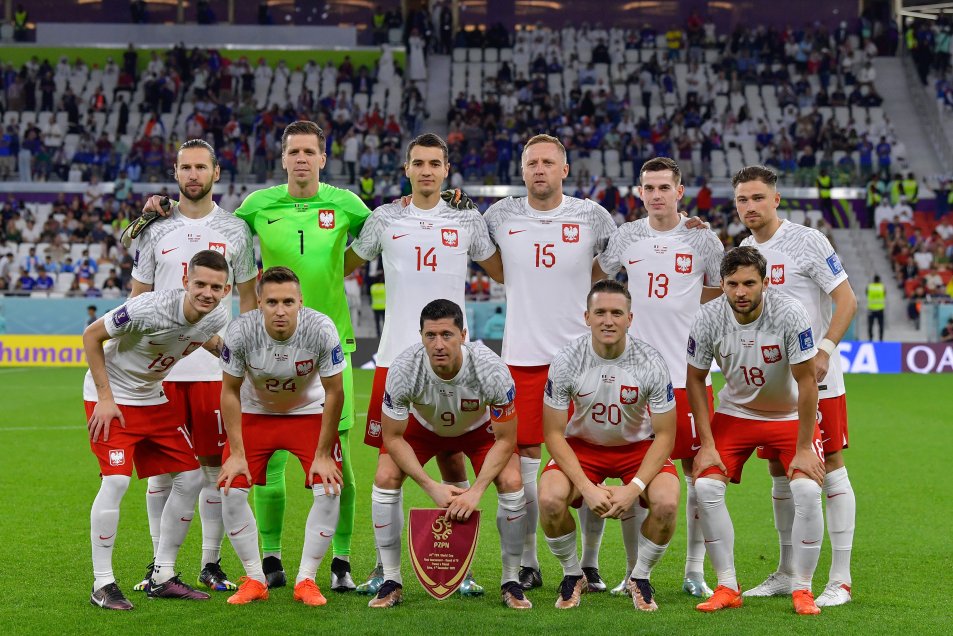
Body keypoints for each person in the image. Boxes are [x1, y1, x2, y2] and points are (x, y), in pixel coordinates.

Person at [344, 132, 503, 596]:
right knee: (386, 468)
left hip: (454, 362)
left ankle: (460, 567)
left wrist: (478, 212)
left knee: (455, 464)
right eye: (419, 163)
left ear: (446, 169)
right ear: (407, 170)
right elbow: (341, 263)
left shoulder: (467, 219)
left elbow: (499, 270)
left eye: (435, 163)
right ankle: (382, 566)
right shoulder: (384, 218)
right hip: (395, 359)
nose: (427, 170)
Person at [232, 121, 371, 590]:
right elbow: (222, 238)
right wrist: (248, 303)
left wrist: (340, 267)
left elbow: (383, 236)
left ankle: (342, 560)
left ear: (323, 158)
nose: (301, 159)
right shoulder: (258, 205)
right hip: (267, 350)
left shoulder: (346, 204)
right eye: (294, 151)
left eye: (310, 152)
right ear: (284, 157)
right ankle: (271, 558)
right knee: (268, 463)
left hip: (332, 349)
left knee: (338, 460)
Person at [484, 133, 616, 592]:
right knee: (522, 467)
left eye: (547, 162)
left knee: (589, 463)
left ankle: (591, 562)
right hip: (520, 359)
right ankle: (528, 561)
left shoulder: (592, 216)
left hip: (582, 361)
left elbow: (614, 263)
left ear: (565, 169)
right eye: (531, 163)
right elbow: (492, 264)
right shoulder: (499, 215)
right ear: (522, 171)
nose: (539, 170)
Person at [130, 139, 258, 594]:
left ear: (216, 173)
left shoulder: (237, 230)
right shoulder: (154, 228)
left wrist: (241, 354)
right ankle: (157, 564)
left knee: (209, 469)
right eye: (185, 167)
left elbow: (248, 299)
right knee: (161, 471)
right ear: (176, 172)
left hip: (209, 369)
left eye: (200, 167)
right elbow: (138, 294)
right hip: (158, 371)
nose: (192, 175)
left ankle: (210, 562)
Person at [595, 156, 724, 598]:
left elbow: (721, 290)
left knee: (696, 472)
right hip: (633, 377)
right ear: (640, 192)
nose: (655, 195)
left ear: (679, 191)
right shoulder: (626, 236)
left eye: (663, 187)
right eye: (648, 188)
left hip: (687, 375)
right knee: (632, 469)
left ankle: (694, 571)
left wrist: (689, 313)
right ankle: (633, 573)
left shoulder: (703, 240)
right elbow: (600, 278)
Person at [737, 165, 858, 607]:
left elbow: (847, 300)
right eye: (742, 200)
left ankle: (840, 580)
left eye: (757, 198)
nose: (750, 207)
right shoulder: (745, 250)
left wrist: (823, 350)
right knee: (779, 473)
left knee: (831, 471)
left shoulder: (807, 240)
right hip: (773, 385)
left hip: (818, 379)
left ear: (776, 199)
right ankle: (789, 571)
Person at [83, 250, 231, 610]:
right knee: (116, 481)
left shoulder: (219, 314)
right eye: (199, 284)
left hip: (152, 398)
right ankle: (102, 584)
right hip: (112, 397)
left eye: (215, 287)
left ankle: (162, 575)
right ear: (185, 282)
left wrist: (238, 359)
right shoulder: (148, 307)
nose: (206, 293)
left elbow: (204, 337)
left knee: (192, 477)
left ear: (226, 290)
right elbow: (91, 336)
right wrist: (105, 397)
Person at [687, 246, 827, 615]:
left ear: (765, 283)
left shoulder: (789, 312)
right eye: (732, 284)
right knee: (704, 485)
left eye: (750, 283)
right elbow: (696, 380)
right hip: (736, 413)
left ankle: (802, 588)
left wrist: (803, 448)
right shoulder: (708, 317)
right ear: (722, 284)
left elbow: (808, 382)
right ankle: (727, 585)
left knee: (807, 490)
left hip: (788, 416)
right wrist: (706, 444)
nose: (741, 292)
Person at [369, 299, 531, 610]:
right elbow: (392, 437)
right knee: (384, 476)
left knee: (512, 481)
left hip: (479, 430)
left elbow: (506, 439)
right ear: (421, 337)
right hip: (424, 427)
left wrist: (476, 492)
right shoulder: (404, 369)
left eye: (447, 334)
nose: (438, 344)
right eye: (430, 335)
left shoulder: (490, 368)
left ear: (464, 335)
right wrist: (431, 486)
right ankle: (391, 579)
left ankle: (510, 580)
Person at [539, 280, 680, 611]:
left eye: (617, 313)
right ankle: (574, 574)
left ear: (630, 318)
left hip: (638, 449)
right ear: (586, 317)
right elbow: (554, 434)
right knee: (548, 500)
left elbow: (665, 436)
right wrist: (587, 488)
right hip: (582, 448)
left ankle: (640, 577)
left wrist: (634, 488)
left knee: (666, 505)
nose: (608, 320)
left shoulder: (651, 361)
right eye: (600, 312)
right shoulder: (566, 360)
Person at [216, 267, 347, 606]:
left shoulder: (321, 328)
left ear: (300, 302)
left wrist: (322, 454)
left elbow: (335, 392)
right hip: (255, 413)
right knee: (230, 488)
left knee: (330, 486)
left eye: (288, 301)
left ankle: (306, 580)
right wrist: (236, 453)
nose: (280, 310)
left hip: (307, 413)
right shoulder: (241, 331)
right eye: (271, 302)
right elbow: (229, 391)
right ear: (258, 303)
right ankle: (254, 579)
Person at [866, 274, 886, 341]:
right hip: (880, 309)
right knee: (881, 325)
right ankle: (881, 339)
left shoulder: (869, 287)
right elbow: (884, 294)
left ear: (873, 280)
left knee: (870, 325)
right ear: (879, 280)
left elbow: (866, 293)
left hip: (871, 308)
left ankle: (870, 339)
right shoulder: (882, 287)